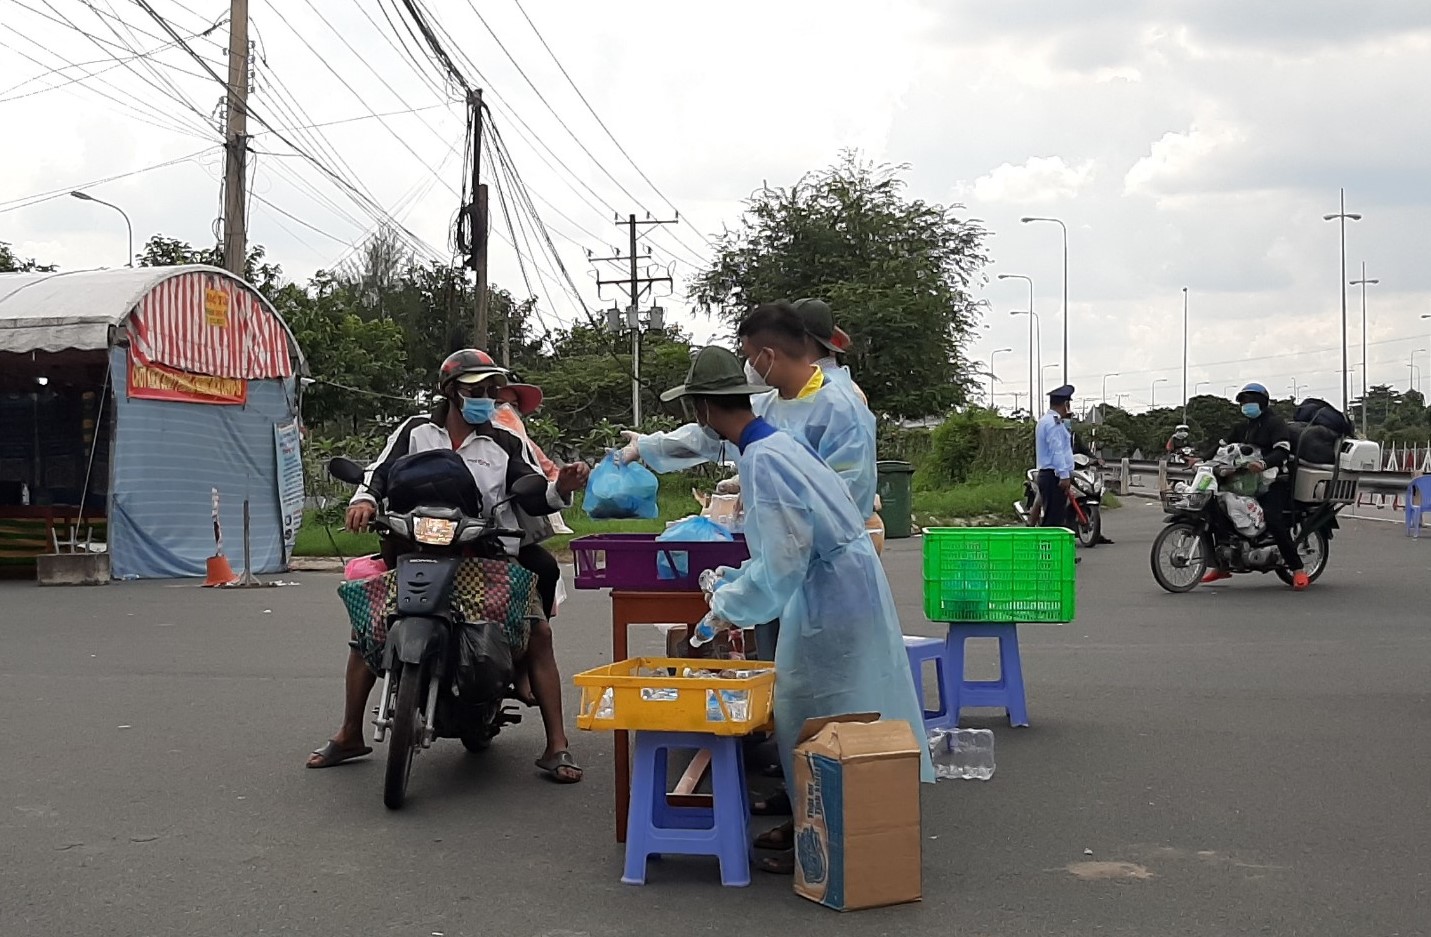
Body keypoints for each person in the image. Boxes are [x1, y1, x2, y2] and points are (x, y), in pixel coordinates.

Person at [660, 345, 934, 874]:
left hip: (828, 592)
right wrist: (737, 584)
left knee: (821, 711)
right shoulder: (773, 446)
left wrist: (728, 607)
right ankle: (823, 818)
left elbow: (784, 557)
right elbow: (781, 548)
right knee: (825, 706)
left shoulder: (764, 458)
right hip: (835, 582)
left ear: (704, 409)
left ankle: (829, 834)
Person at [306, 349, 591, 783]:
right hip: (412, 549)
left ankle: (557, 745)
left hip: (483, 556)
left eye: (491, 390)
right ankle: (350, 732)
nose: (486, 397)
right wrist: (364, 500)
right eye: (476, 390)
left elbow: (531, 490)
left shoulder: (504, 442)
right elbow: (378, 473)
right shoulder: (416, 431)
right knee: (367, 626)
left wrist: (559, 489)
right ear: (450, 391)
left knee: (538, 631)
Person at [620, 301, 877, 517]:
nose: (750, 365)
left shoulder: (841, 406)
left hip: (829, 565)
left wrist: (770, 497)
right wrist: (648, 445)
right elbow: (717, 432)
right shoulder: (770, 403)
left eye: (751, 356)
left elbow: (848, 500)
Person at [1202, 382, 1309, 591]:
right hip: (1243, 482)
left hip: (1275, 481)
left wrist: (1263, 463)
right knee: (1213, 511)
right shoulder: (1242, 427)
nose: (1246, 405)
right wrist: (1201, 459)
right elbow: (1221, 447)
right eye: (1243, 402)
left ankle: (1297, 569)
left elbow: (1282, 451)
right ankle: (1221, 565)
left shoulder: (1275, 424)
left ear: (1262, 402)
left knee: (1273, 519)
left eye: (1250, 401)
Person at [1036, 385, 1077, 531]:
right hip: (1053, 475)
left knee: (1056, 519)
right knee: (1053, 523)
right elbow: (1057, 450)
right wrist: (1064, 475)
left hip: (1050, 475)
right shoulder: (1053, 423)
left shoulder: (1048, 421)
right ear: (1066, 404)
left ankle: (1053, 553)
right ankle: (1047, 553)